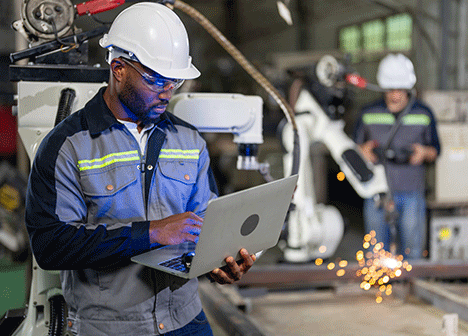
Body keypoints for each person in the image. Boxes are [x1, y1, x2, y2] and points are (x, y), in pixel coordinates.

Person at [24, 3, 256, 335]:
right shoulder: (68, 146)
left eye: (174, 81)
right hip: (109, 327)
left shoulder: (190, 141)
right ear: (118, 67)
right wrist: (151, 233)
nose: (167, 91)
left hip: (184, 319)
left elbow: (204, 230)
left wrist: (220, 264)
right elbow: (51, 245)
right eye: (156, 79)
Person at [353, 53, 441, 260]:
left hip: (411, 192)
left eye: (401, 89)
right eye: (391, 89)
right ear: (383, 87)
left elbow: (436, 150)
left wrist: (423, 152)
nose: (396, 95)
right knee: (375, 253)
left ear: (408, 88)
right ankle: (378, 287)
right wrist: (362, 151)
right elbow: (352, 149)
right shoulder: (367, 113)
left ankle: (411, 287)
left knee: (413, 251)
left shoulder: (424, 112)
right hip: (376, 192)